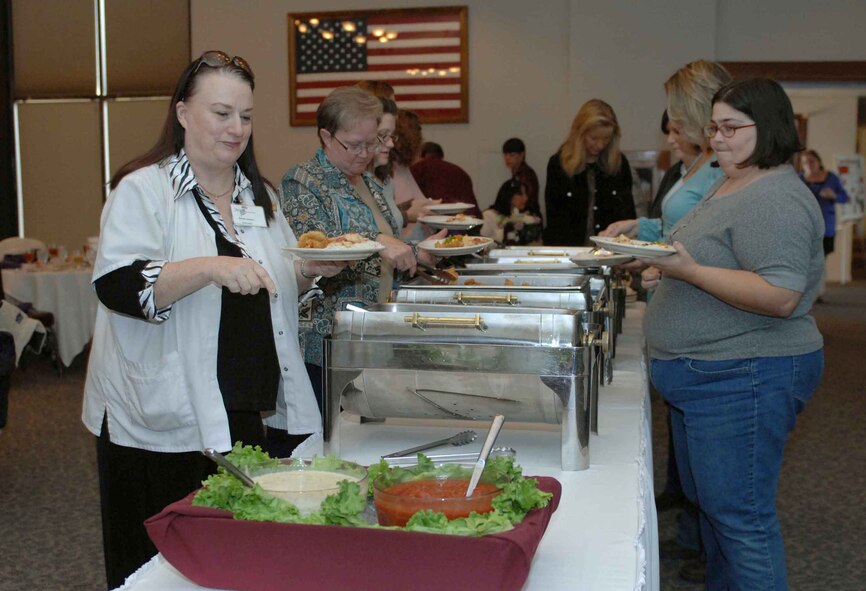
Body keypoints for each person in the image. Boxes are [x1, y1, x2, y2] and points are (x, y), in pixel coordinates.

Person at [81, 51, 344, 589]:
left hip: (244, 409)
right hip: (161, 420)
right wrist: (208, 267)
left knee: (235, 560)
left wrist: (311, 271)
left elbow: (271, 292)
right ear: (182, 113)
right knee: (156, 567)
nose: (237, 129)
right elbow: (118, 287)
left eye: (245, 116)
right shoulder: (143, 190)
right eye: (221, 113)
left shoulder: (261, 197)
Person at [645, 77, 825, 591]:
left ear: (766, 128)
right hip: (715, 374)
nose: (717, 138)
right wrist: (667, 268)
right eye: (713, 127)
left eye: (730, 128)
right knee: (721, 517)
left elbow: (779, 294)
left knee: (741, 520)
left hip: (746, 373)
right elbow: (714, 256)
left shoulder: (775, 196)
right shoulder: (733, 179)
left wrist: (689, 273)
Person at [280, 87, 419, 404]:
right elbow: (318, 255)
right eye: (355, 145)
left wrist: (413, 253)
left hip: (372, 333)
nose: (365, 153)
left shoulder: (368, 181)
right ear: (326, 137)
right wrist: (378, 242)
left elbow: (390, 242)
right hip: (325, 341)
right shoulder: (302, 181)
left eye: (373, 143)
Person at [543, 99, 635, 245]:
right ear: (579, 134)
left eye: (606, 139)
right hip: (568, 253)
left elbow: (628, 215)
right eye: (593, 138)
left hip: (610, 254)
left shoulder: (619, 165)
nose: (600, 145)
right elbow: (555, 220)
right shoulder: (558, 164)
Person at [410, 141, 482, 217]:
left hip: (436, 221)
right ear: (441, 156)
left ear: (420, 155)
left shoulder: (418, 169)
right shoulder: (460, 171)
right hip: (465, 220)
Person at [800, 149, 849, 257]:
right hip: (804, 229)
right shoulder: (799, 179)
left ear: (819, 162)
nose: (808, 165)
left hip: (826, 228)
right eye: (804, 162)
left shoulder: (832, 178)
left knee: (820, 262)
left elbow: (845, 198)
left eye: (811, 161)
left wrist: (834, 196)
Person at [480, 179, 542, 245]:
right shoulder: (488, 215)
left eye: (525, 194)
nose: (525, 198)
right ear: (509, 195)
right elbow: (482, 242)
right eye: (520, 194)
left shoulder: (515, 212)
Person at [502, 137, 542, 221]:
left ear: (522, 155)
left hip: (529, 220)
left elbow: (526, 202)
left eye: (512, 155)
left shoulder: (526, 175)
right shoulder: (516, 171)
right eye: (505, 155)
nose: (507, 158)